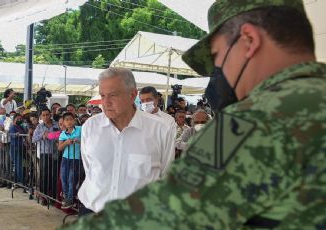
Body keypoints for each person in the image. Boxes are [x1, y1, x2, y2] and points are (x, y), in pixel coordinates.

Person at [61, 1, 326, 229]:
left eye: (217, 55)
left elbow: (169, 212)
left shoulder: (252, 123)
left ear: (249, 40)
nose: (218, 70)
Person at [76, 67, 175, 217]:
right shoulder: (91, 126)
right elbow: (90, 168)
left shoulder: (160, 129)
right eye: (103, 96)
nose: (106, 102)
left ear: (132, 95)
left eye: (113, 95)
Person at [32, 108, 60, 204]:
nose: (45, 117)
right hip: (44, 153)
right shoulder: (39, 127)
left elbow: (62, 134)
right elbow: (33, 139)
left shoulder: (57, 124)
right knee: (44, 176)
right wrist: (42, 135)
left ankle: (52, 197)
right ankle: (44, 197)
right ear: (40, 116)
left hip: (56, 153)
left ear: (50, 114)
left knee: (54, 175)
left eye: (47, 114)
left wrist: (54, 135)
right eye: (43, 115)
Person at [58, 112, 82, 209]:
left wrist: (78, 141)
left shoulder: (81, 129)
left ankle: (70, 199)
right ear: (63, 122)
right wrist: (67, 143)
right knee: (64, 178)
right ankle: (67, 198)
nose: (69, 121)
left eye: (70, 119)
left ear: (74, 120)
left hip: (76, 159)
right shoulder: (63, 134)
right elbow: (59, 148)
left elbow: (88, 140)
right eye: (66, 120)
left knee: (72, 179)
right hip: (65, 158)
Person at [0, 107, 12, 188]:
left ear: (5, 113)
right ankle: (3, 180)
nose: (1, 115)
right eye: (0, 114)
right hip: (0, 144)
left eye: (3, 113)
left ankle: (9, 181)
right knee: (2, 163)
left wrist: (3, 129)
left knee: (8, 163)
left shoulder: (9, 120)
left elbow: (7, 130)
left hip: (7, 143)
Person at [9, 114, 26, 184]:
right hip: (15, 148)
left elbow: (25, 134)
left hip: (21, 147)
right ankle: (22, 181)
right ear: (14, 120)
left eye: (20, 119)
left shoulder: (21, 127)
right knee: (18, 165)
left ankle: (17, 181)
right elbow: (12, 135)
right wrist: (16, 134)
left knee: (19, 165)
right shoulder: (12, 127)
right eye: (18, 119)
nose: (19, 120)